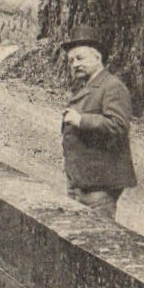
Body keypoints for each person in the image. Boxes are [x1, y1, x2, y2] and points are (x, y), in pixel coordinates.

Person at [59, 24, 136, 222]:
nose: (74, 64)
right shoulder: (89, 87)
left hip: (99, 186)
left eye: (80, 58)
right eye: (71, 61)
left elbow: (118, 125)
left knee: (96, 239)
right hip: (83, 183)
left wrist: (81, 120)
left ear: (97, 57)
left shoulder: (111, 86)